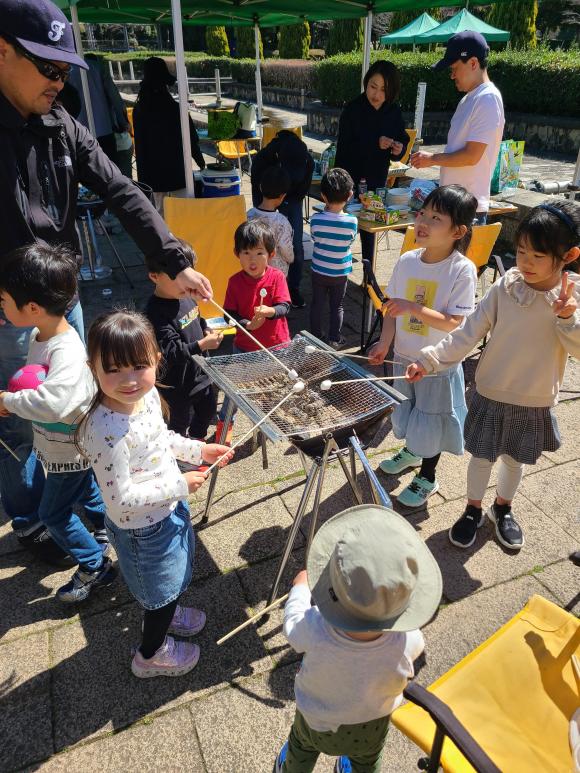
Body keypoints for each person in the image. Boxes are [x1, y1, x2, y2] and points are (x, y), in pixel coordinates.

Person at [0, 0, 212, 566]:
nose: (59, 80)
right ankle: (31, 517)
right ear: (2, 50)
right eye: (48, 67)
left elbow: (121, 189)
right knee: (20, 419)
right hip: (8, 311)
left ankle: (85, 500)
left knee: (80, 405)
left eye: (65, 69)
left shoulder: (61, 121)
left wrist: (172, 260)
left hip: (62, 301)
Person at [407, 201, 580, 550]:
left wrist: (566, 320)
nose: (526, 262)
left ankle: (503, 507)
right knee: (482, 457)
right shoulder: (506, 287)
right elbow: (468, 332)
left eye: (538, 255)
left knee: (515, 460)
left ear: (569, 255)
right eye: (520, 252)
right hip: (491, 391)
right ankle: (472, 508)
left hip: (533, 398)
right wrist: (430, 359)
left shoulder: (570, 297)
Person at [79, 310, 233, 677]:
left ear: (156, 361)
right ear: (93, 368)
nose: (129, 380)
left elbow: (160, 440)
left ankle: (168, 607)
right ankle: (150, 656)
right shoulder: (105, 430)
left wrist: (198, 450)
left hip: (166, 511)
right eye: (114, 369)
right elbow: (119, 499)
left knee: (171, 577)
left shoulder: (145, 398)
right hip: (142, 530)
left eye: (138, 366)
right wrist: (181, 485)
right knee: (158, 591)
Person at [274, 503, 442, 773]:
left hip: (316, 719)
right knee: (367, 760)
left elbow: (293, 628)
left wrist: (300, 589)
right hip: (372, 723)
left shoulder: (317, 627)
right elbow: (417, 647)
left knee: (301, 747)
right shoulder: (408, 638)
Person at [0, 244, 115, 601]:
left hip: (70, 447)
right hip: (65, 445)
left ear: (32, 308)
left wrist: (8, 402)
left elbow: (55, 401)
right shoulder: (41, 336)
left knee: (53, 513)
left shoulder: (63, 349)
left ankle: (96, 566)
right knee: (84, 487)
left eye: (3, 300)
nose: (1, 306)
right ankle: (104, 525)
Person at [368, 185, 478, 509]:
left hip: (436, 365)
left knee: (432, 419)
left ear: (458, 231)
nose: (423, 222)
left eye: (435, 218)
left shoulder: (461, 270)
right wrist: (385, 344)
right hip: (403, 356)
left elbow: (455, 324)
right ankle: (413, 452)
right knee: (409, 410)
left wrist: (413, 308)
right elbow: (391, 309)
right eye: (422, 213)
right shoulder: (406, 261)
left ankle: (428, 476)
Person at [410, 31, 505, 225]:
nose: (452, 75)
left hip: (468, 209)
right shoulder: (468, 99)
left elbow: (472, 155)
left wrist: (433, 159)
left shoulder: (487, 98)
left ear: (473, 63)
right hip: (453, 204)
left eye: (454, 68)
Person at [216, 220, 291, 444]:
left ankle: (273, 417)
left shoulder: (276, 277)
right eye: (246, 252)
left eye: (259, 253)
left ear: (271, 253)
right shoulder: (234, 282)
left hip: (276, 345)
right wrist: (245, 323)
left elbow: (285, 307)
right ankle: (226, 422)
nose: (252, 259)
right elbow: (228, 313)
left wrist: (269, 311)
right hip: (245, 346)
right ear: (236, 253)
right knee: (235, 389)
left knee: (276, 386)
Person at [145, 239, 222, 441]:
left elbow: (196, 317)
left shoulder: (184, 294)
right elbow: (172, 352)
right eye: (177, 277)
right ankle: (179, 457)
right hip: (177, 385)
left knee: (207, 412)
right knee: (177, 424)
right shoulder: (155, 313)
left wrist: (206, 329)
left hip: (200, 374)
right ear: (155, 276)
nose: (186, 284)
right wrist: (202, 345)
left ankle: (197, 442)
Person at [334, 60, 409, 266]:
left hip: (376, 179)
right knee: (345, 230)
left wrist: (398, 148)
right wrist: (375, 142)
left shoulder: (393, 112)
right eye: (373, 87)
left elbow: (402, 138)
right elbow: (345, 147)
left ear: (391, 91)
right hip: (349, 179)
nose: (376, 94)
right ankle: (336, 270)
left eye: (383, 90)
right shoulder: (353, 109)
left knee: (370, 230)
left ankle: (368, 276)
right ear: (366, 83)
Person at [133, 56, 206, 215]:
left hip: (153, 176)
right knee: (184, 217)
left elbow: (140, 147)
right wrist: (201, 162)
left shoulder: (140, 110)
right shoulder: (175, 109)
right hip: (178, 174)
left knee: (160, 219)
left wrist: (143, 181)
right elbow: (191, 139)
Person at [251, 129, 314, 309]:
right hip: (266, 194)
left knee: (296, 244)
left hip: (291, 197)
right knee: (258, 240)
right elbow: (257, 186)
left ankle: (291, 288)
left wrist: (285, 199)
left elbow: (302, 190)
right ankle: (258, 283)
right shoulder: (264, 160)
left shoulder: (306, 160)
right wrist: (267, 205)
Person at [309, 168, 357, 349]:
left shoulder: (316, 219)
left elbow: (314, 237)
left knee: (317, 304)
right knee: (337, 306)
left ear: (323, 195)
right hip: (340, 272)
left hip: (319, 269)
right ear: (350, 195)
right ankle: (334, 338)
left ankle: (314, 335)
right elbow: (350, 240)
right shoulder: (352, 221)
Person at [70, 52, 128, 165]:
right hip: (104, 128)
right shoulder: (98, 67)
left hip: (78, 131)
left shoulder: (68, 69)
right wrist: (122, 122)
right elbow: (115, 97)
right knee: (110, 171)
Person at [247, 165, 294, 277]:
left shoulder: (248, 215)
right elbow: (287, 252)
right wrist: (291, 259)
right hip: (276, 277)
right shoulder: (282, 222)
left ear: (260, 187)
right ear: (282, 196)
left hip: (252, 271)